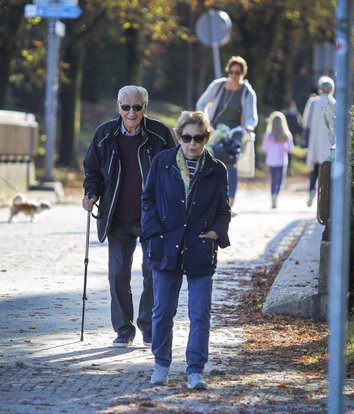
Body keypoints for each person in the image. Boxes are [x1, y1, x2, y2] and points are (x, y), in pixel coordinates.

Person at [141, 111, 231, 390]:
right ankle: (161, 364)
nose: (192, 143)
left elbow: (223, 209)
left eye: (199, 138)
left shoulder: (217, 169)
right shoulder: (162, 162)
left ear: (206, 138)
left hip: (200, 248)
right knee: (162, 311)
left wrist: (217, 232)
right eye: (187, 137)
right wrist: (154, 234)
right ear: (179, 136)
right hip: (166, 246)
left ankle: (195, 370)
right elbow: (147, 200)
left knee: (200, 313)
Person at [82, 85, 175, 348]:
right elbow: (92, 170)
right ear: (118, 106)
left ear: (145, 107)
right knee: (118, 276)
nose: (131, 113)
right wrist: (91, 193)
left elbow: (176, 172)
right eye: (126, 107)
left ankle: (148, 326)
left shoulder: (160, 134)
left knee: (152, 274)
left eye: (137, 107)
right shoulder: (104, 134)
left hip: (153, 220)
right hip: (117, 217)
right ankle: (124, 329)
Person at [196, 56, 257, 215]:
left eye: (237, 73)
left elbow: (251, 115)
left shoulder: (247, 92)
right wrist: (205, 121)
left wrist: (248, 127)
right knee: (209, 159)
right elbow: (201, 103)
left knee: (231, 162)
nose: (234, 76)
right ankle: (207, 198)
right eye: (231, 72)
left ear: (243, 73)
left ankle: (229, 205)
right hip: (214, 129)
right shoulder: (218, 86)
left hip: (234, 131)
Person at [302, 76, 336, 207]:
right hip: (328, 142)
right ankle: (324, 198)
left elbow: (305, 121)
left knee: (314, 169)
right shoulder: (334, 103)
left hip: (315, 140)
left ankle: (311, 190)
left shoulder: (313, 102)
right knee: (326, 169)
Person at [262, 111, 294, 209]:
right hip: (281, 161)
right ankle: (276, 194)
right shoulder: (286, 135)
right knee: (279, 180)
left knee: (272, 180)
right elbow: (290, 149)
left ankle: (272, 196)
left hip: (271, 161)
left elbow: (264, 147)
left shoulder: (268, 135)